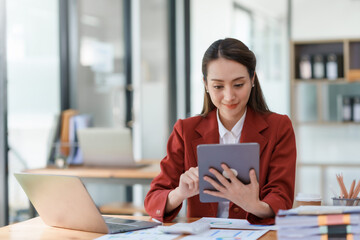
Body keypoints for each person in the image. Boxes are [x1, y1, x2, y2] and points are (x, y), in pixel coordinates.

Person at [144, 38, 296, 225]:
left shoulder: (278, 127)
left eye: (238, 84)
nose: (229, 96)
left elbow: (282, 198)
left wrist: (253, 204)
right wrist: (180, 193)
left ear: (253, 79)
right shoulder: (186, 130)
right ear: (206, 84)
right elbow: (153, 201)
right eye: (218, 86)